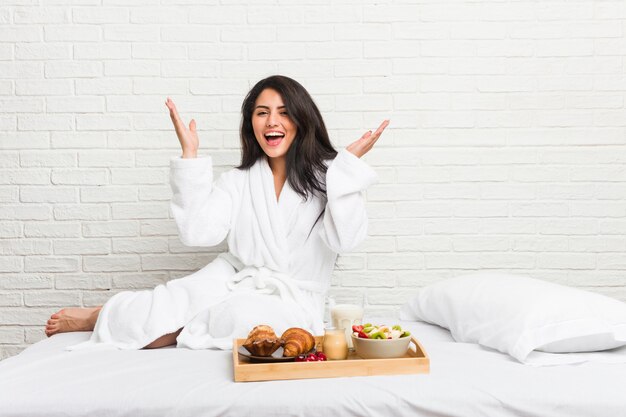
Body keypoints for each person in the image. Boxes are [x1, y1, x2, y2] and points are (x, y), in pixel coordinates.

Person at [45, 75, 389, 350]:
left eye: (284, 112)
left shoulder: (327, 177)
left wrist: (346, 170)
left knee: (243, 315)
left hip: (291, 302)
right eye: (262, 112)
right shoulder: (238, 181)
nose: (273, 121)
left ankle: (162, 321)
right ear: (251, 123)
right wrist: (190, 156)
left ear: (301, 119)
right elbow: (198, 233)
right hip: (231, 275)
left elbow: (346, 239)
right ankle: (97, 316)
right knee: (162, 306)